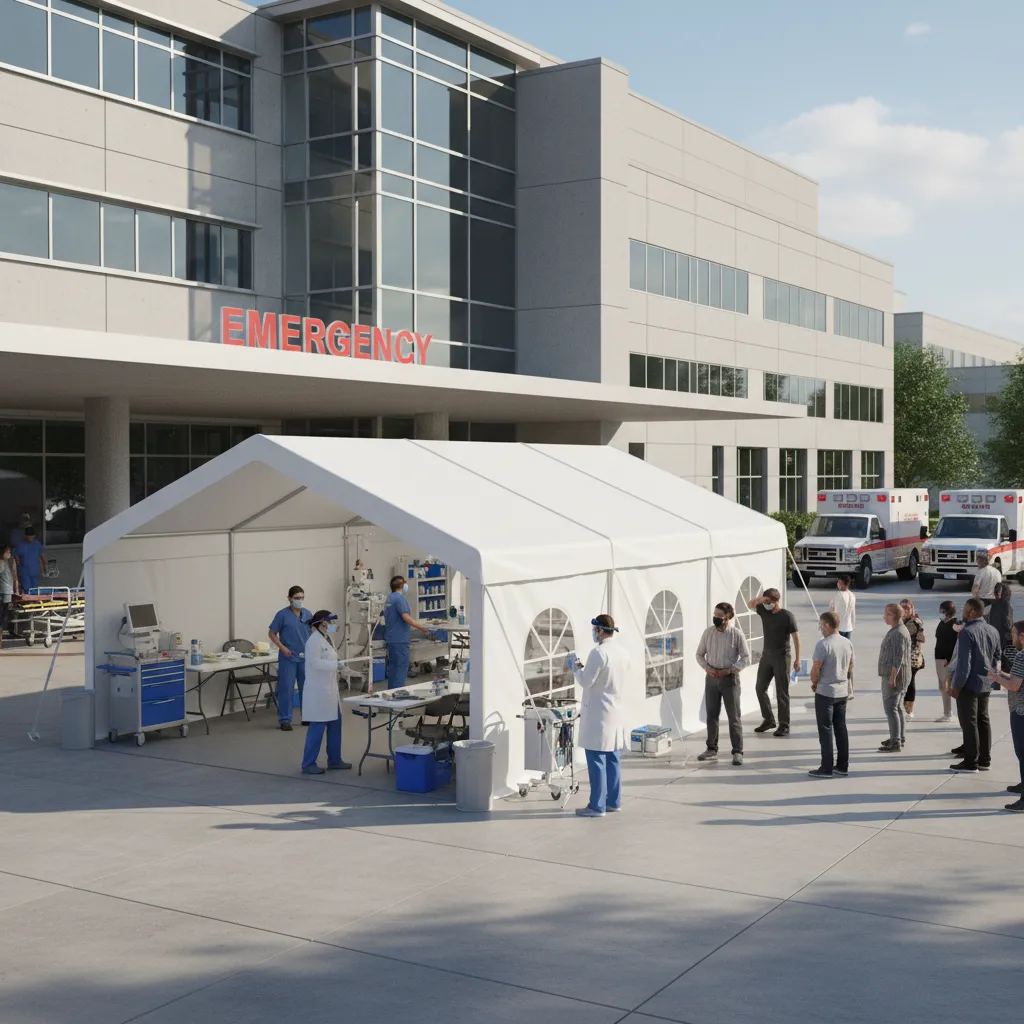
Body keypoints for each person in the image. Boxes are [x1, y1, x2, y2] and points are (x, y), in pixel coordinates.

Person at [573, 614, 630, 817]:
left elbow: (587, 681)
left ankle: (597, 806)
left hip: (599, 713)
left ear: (598, 630)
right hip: (615, 710)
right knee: (613, 757)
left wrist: (576, 667)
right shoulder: (623, 652)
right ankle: (613, 801)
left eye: (594, 630)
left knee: (596, 758)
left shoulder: (598, 652)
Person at [695, 602, 750, 766]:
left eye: (719, 616)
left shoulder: (736, 634)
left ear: (727, 618)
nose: (716, 618)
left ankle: (738, 751)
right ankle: (711, 748)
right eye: (715, 615)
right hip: (711, 678)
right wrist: (707, 668)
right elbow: (699, 654)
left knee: (734, 717)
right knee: (711, 715)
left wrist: (732, 670)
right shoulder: (708, 633)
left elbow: (746, 658)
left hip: (729, 679)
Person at [949, 597, 1000, 773]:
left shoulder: (967, 632)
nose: (963, 611)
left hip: (969, 683)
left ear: (972, 612)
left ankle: (970, 762)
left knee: (969, 722)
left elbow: (965, 663)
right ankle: (985, 760)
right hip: (986, 682)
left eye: (965, 609)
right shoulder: (992, 630)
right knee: (983, 720)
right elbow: (996, 657)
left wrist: (956, 685)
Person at [300, 609, 352, 775]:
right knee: (317, 726)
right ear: (320, 623)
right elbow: (315, 663)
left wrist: (343, 668)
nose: (331, 626)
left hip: (330, 691)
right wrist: (335, 666)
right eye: (328, 622)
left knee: (335, 724)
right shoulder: (313, 641)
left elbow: (331, 659)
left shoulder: (327, 639)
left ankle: (335, 760)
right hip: (318, 691)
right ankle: (308, 764)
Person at [748, 588, 800, 737]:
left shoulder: (787, 616)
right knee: (760, 687)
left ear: (776, 601)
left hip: (782, 656)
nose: (766, 604)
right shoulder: (764, 611)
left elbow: (796, 637)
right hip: (767, 655)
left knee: (781, 692)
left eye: (769, 602)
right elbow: (750, 604)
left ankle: (784, 725)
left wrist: (797, 659)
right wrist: (761, 599)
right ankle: (769, 719)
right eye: (765, 602)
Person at [808, 611, 854, 778]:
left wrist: (814, 683)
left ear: (827, 625)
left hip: (826, 692)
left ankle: (826, 767)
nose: (820, 627)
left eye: (821, 624)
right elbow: (851, 665)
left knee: (825, 730)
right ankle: (842, 765)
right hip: (842, 691)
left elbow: (816, 668)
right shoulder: (847, 642)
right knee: (841, 728)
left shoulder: (823, 644)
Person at [986, 620, 1024, 811]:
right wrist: (1002, 673)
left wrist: (995, 677)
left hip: (1020, 711)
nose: (1012, 637)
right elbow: (1018, 678)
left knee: (1022, 752)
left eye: (1014, 634)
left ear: (1022, 637)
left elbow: (1014, 685)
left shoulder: (1021, 657)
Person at [269, 585, 312, 731]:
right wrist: (282, 648)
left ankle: (307, 717)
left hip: (305, 657)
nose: (299, 601)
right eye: (296, 598)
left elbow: (313, 633)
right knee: (286, 688)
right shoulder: (282, 615)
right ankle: (285, 719)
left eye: (302, 598)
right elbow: (272, 633)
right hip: (288, 657)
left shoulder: (307, 614)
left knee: (306, 688)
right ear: (289, 599)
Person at [383, 575, 433, 690]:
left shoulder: (390, 598)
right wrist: (423, 628)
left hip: (391, 639)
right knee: (400, 668)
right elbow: (406, 617)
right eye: (405, 583)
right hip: (400, 640)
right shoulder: (400, 599)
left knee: (393, 669)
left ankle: (392, 695)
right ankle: (398, 698)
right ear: (401, 585)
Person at [877, 603, 912, 752]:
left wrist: (892, 677)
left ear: (894, 615)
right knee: (897, 708)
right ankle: (898, 737)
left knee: (891, 708)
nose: (884, 617)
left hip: (895, 677)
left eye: (887, 614)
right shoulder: (898, 630)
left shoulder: (898, 633)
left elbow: (898, 657)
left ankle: (895, 742)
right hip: (899, 675)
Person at [933, 600, 960, 723]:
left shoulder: (955, 624)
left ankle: (948, 713)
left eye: (942, 610)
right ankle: (946, 711)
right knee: (942, 686)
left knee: (947, 685)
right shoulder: (942, 623)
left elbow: (953, 645)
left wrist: (948, 659)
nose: (940, 612)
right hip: (939, 657)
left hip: (946, 659)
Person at [900, 598, 925, 719]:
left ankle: (910, 710)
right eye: (902, 608)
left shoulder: (915, 622)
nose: (905, 610)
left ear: (912, 608)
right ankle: (906, 707)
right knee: (905, 683)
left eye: (907, 608)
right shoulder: (903, 621)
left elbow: (920, 640)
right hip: (903, 658)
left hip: (912, 658)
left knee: (910, 683)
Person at [986, 581, 1014, 687]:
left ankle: (995, 683)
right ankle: (1005, 682)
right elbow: (1007, 623)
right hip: (1003, 636)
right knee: (1005, 660)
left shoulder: (993, 604)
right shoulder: (1006, 605)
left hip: (993, 635)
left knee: (995, 659)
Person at [13, 525, 46, 594]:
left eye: (32, 536)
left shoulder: (37, 544)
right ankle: (28, 602)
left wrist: (45, 566)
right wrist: (18, 566)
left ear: (34, 536)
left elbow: (42, 555)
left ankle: (34, 602)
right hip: (24, 571)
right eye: (29, 536)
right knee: (26, 589)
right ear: (25, 536)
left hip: (34, 570)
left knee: (35, 588)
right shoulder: (20, 544)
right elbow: (16, 556)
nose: (30, 538)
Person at [0, 543, 16, 650]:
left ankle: (3, 632)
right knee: (3, 615)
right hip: (3, 592)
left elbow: (14, 574)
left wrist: (16, 587)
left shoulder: (10, 561)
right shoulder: (1, 563)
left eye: (10, 552)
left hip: (8, 591)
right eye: (8, 552)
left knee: (5, 614)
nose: (9, 554)